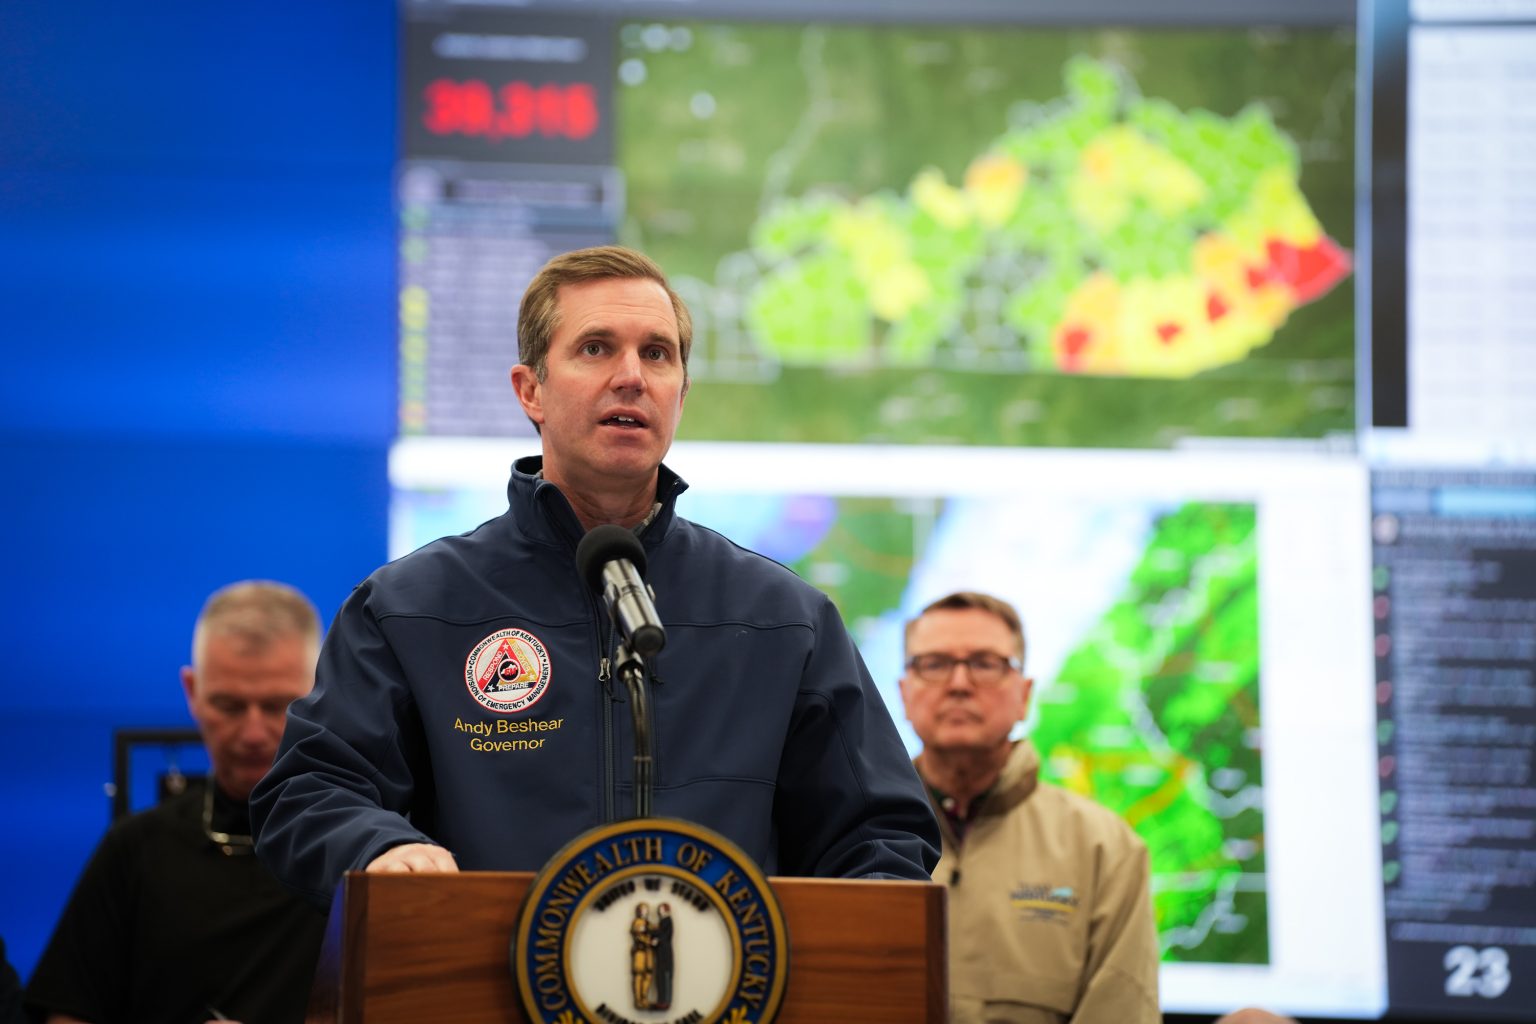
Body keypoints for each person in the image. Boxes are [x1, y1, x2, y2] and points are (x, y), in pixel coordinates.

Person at [251, 245, 939, 908]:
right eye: (596, 347)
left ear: (680, 393)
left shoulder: (785, 619)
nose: (632, 376)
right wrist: (378, 849)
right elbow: (310, 793)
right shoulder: (410, 608)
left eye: (657, 354)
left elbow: (881, 834)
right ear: (531, 391)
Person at [25, 581, 327, 1024]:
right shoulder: (135, 851)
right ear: (192, 691)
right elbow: (68, 1012)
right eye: (228, 705)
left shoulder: (363, 860)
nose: (253, 733)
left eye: (278, 705)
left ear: (320, 692)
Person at [899, 591, 1160, 1024]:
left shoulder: (1107, 851)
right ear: (904, 693)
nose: (959, 684)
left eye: (985, 663)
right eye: (935, 664)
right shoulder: (855, 836)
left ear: (1024, 695)